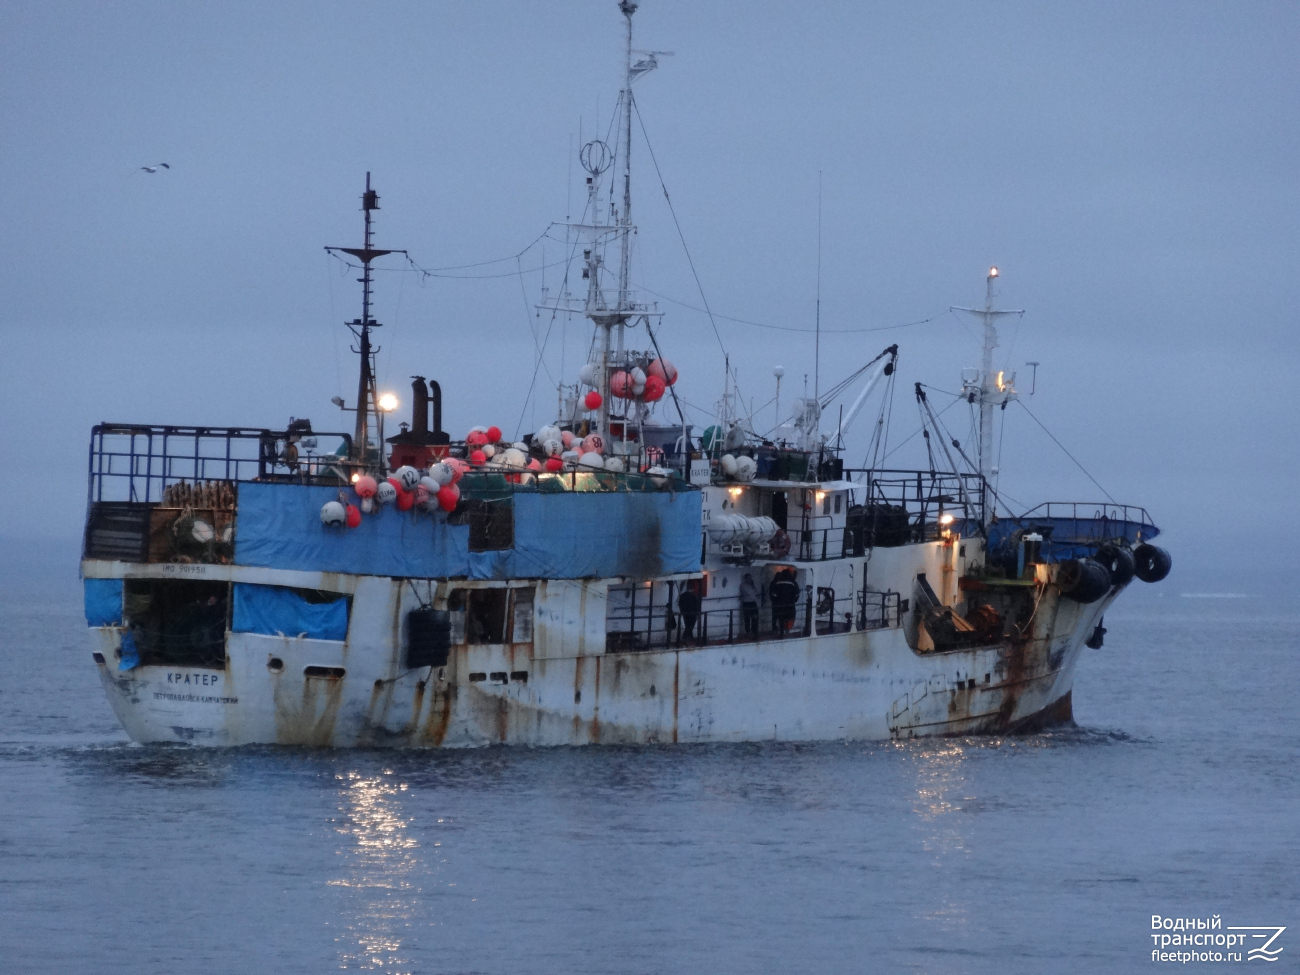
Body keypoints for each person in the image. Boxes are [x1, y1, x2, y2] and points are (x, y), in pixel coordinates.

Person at [769, 570, 800, 637]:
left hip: (779, 604)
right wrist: (794, 601)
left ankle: (781, 632)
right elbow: (797, 594)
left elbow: (773, 594)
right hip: (790, 605)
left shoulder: (777, 583)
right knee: (790, 617)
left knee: (781, 618)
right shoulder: (793, 583)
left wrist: (775, 602)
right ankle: (788, 630)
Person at [739, 573, 761, 638]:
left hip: (753, 603)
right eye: (748, 578)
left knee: (755, 617)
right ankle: (748, 631)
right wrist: (755, 595)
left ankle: (754, 631)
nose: (749, 579)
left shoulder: (752, 585)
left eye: (750, 578)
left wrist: (754, 587)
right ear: (745, 578)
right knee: (747, 618)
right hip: (747, 603)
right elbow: (750, 593)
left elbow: (756, 593)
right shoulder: (743, 585)